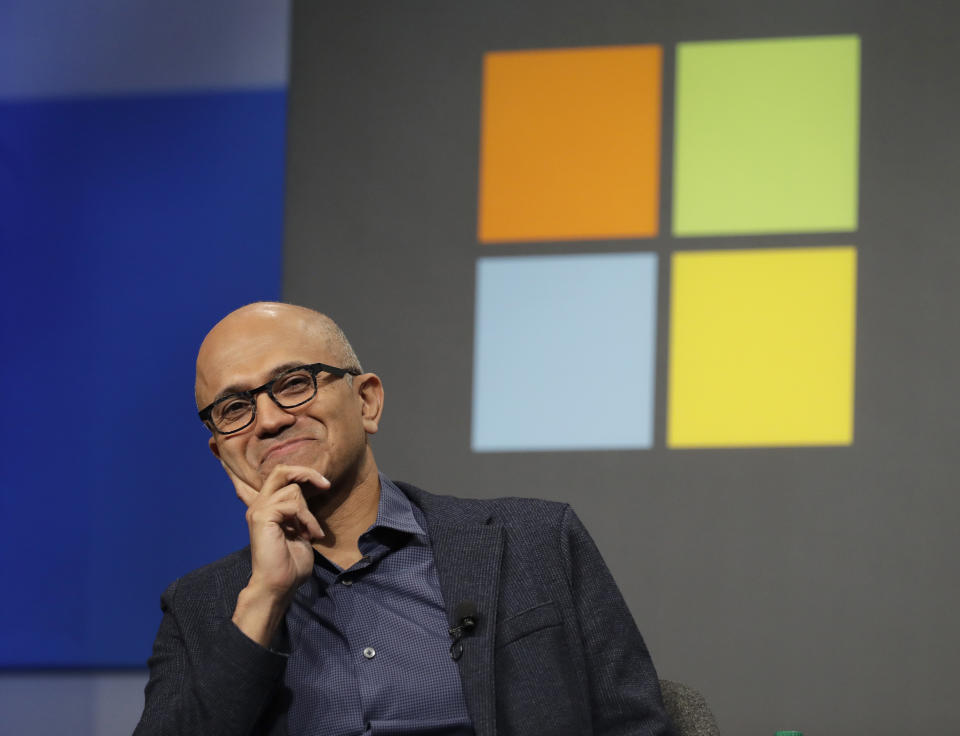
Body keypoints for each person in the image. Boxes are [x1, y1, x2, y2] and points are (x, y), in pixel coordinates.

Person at [135, 302, 676, 736]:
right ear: (221, 452)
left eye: (295, 383)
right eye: (234, 409)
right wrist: (265, 599)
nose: (271, 419)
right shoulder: (199, 607)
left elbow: (636, 726)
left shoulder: (535, 543)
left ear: (367, 402)